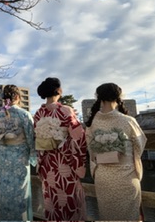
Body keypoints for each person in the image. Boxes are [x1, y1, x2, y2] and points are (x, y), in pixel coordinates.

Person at [85, 83, 147, 221]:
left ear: (99, 98)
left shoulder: (92, 123)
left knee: (108, 216)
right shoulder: (128, 121)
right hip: (126, 176)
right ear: (119, 97)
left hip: (103, 177)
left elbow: (91, 151)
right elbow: (139, 145)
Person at [33, 77, 87, 221]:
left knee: (52, 200)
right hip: (65, 162)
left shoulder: (38, 114)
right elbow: (79, 138)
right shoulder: (65, 110)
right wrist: (79, 162)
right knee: (69, 199)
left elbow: (36, 138)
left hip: (47, 164)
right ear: (58, 91)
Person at [0, 84, 36, 221]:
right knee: (20, 193)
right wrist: (33, 156)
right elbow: (31, 138)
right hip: (20, 159)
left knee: (6, 194)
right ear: (17, 97)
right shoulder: (24, 114)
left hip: (5, 160)